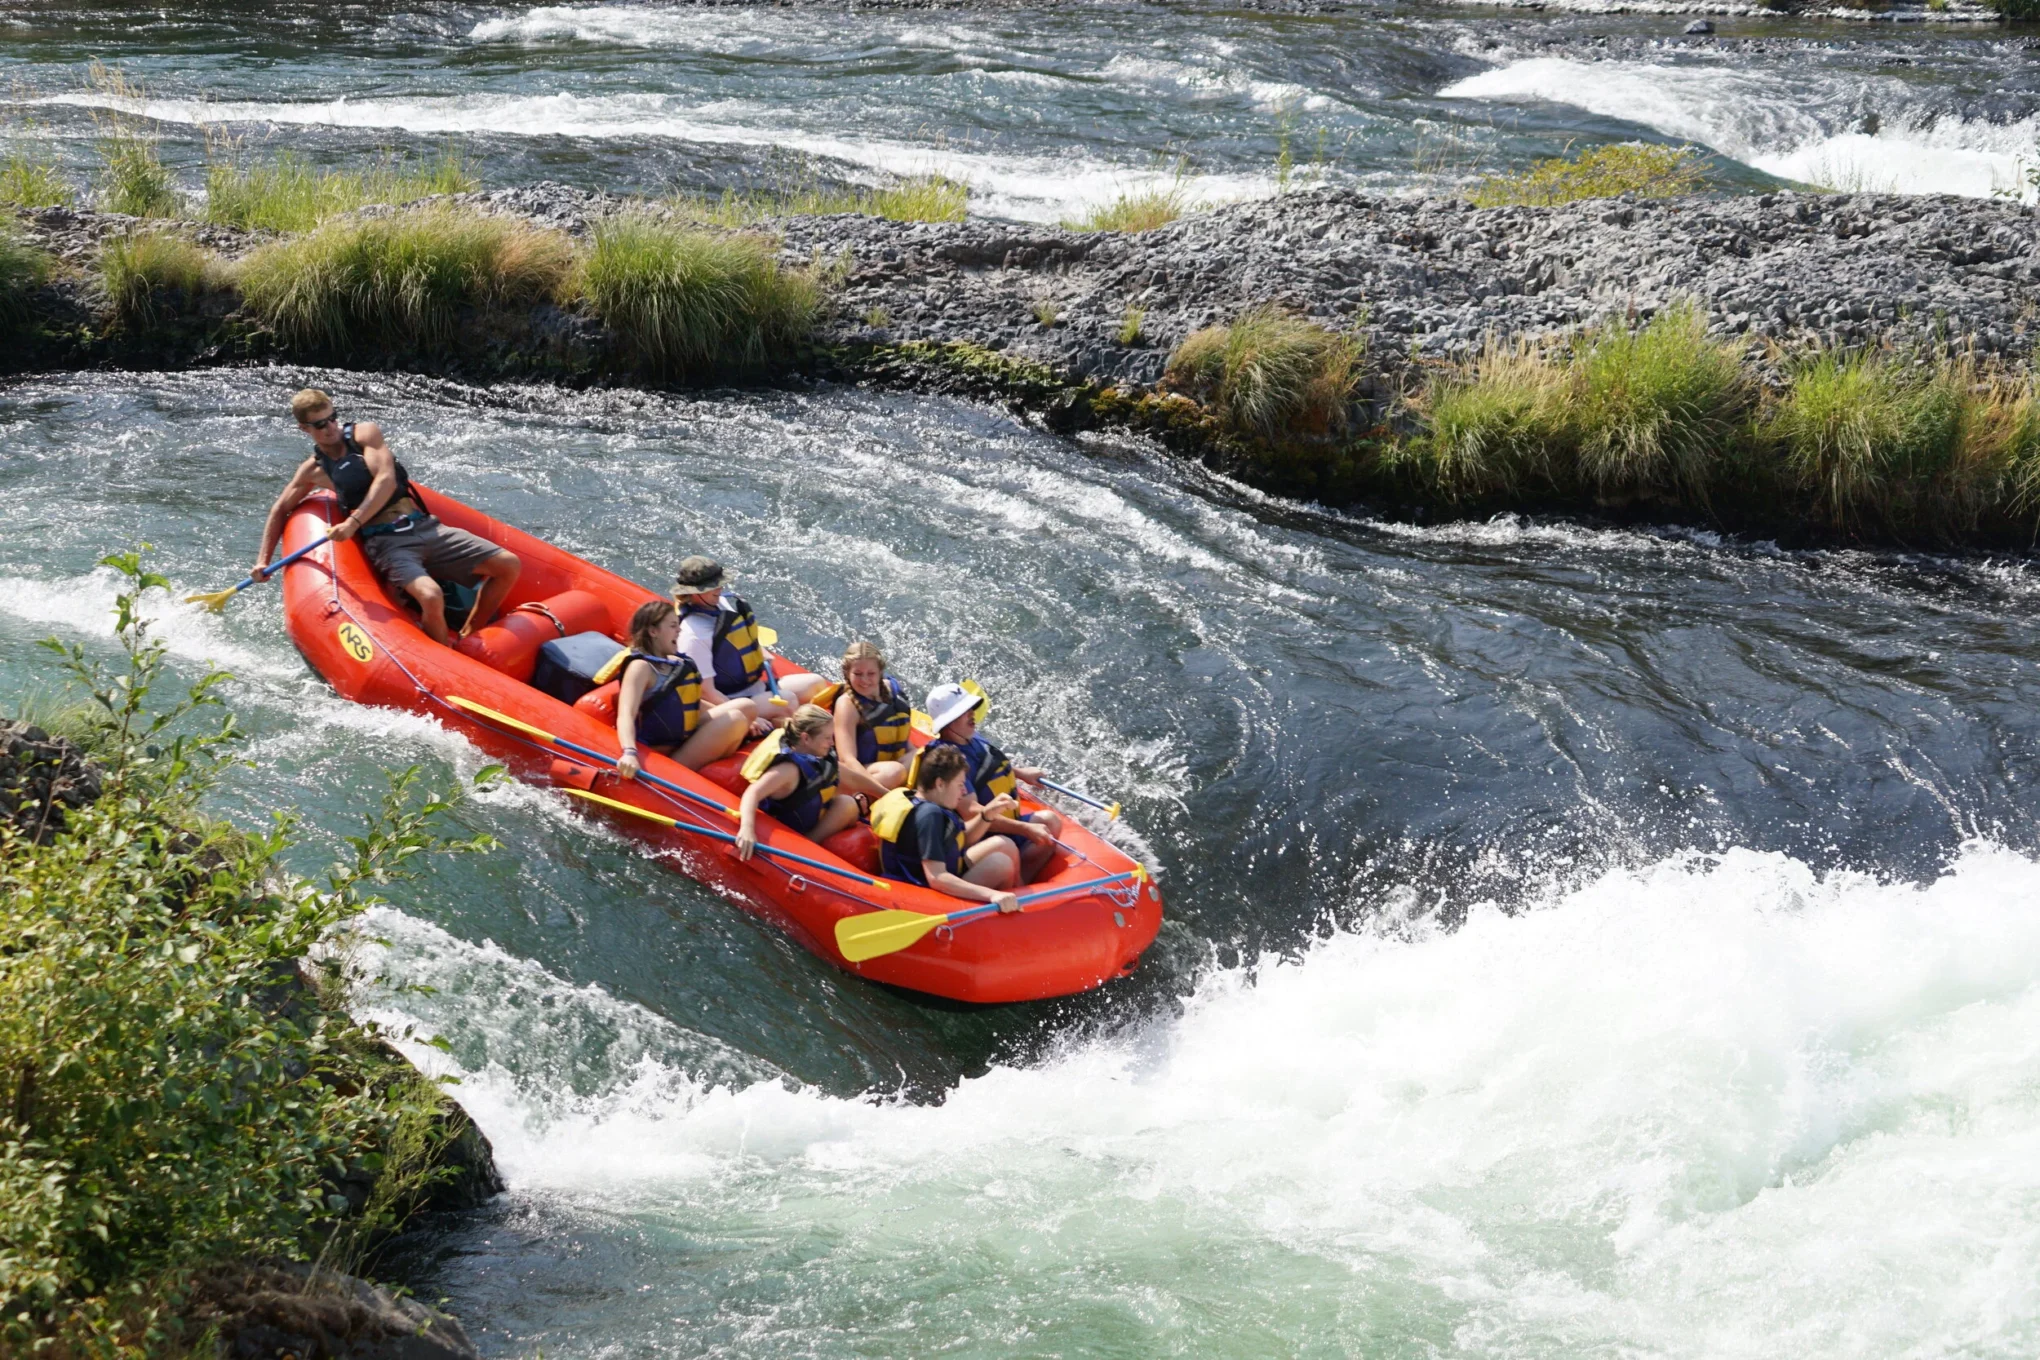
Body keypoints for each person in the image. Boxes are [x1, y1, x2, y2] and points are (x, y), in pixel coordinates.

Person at [253, 389, 520, 645]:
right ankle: (444, 655)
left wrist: (352, 522)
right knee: (431, 595)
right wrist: (262, 561)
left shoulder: (365, 434)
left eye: (333, 417)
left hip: (423, 526)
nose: (331, 427)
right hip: (386, 542)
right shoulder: (313, 469)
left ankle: (468, 636)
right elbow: (279, 509)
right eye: (320, 424)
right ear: (305, 429)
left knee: (508, 564)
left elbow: (385, 479)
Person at [920, 681, 1065, 884]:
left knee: (1050, 821)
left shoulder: (972, 737)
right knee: (1007, 845)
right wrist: (1024, 828)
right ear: (948, 721)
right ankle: (1018, 888)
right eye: (964, 711)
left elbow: (989, 765)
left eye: (971, 708)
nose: (972, 713)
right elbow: (971, 811)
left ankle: (1022, 881)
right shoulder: (948, 759)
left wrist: (1020, 773)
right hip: (977, 835)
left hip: (1002, 822)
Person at [612, 600, 758, 778]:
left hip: (684, 736)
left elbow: (688, 703)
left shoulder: (673, 662)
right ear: (653, 631)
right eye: (673, 626)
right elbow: (626, 714)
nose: (679, 630)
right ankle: (683, 775)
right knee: (735, 719)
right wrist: (629, 752)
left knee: (746, 706)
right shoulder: (641, 668)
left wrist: (751, 722)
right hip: (666, 750)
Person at [671, 555, 825, 723]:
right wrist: (750, 716)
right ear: (693, 593)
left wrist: (760, 652)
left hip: (755, 687)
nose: (720, 588)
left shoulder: (719, 603)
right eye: (712, 586)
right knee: (788, 700)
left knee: (815, 683)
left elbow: (741, 635)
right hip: (732, 700)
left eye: (719, 583)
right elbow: (706, 692)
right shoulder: (693, 634)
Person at [872, 744, 1020, 912]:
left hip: (944, 873)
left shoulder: (923, 801)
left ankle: (1020, 896)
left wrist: (987, 814)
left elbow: (961, 840)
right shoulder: (929, 815)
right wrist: (992, 894)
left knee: (1004, 844)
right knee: (1001, 864)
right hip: (926, 895)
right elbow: (937, 878)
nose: (964, 791)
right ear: (940, 784)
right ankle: (1009, 913)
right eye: (960, 785)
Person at [733, 704, 863, 861]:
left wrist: (884, 793)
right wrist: (747, 828)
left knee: (847, 804)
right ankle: (802, 853)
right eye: (827, 737)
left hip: (809, 823)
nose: (832, 743)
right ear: (806, 738)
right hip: (785, 826)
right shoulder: (789, 770)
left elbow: (853, 778)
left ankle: (809, 844)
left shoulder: (819, 756)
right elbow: (753, 793)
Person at [811, 640, 913, 797]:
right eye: (857, 674)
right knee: (894, 772)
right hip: (860, 773)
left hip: (893, 762)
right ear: (847, 674)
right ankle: (861, 798)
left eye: (871, 674)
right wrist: (884, 793)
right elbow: (848, 760)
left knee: (926, 755)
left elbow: (902, 738)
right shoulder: (847, 705)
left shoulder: (893, 690)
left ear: (880, 672)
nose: (864, 680)